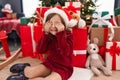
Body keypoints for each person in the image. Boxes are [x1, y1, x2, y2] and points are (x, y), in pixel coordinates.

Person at [7, 7, 73, 80]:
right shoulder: (48, 35)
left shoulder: (68, 35)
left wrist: (60, 34)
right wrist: (45, 33)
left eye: (57, 23)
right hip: (50, 63)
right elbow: (40, 50)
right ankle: (26, 68)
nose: (53, 26)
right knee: (30, 73)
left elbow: (66, 52)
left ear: (63, 24)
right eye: (50, 23)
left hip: (63, 68)